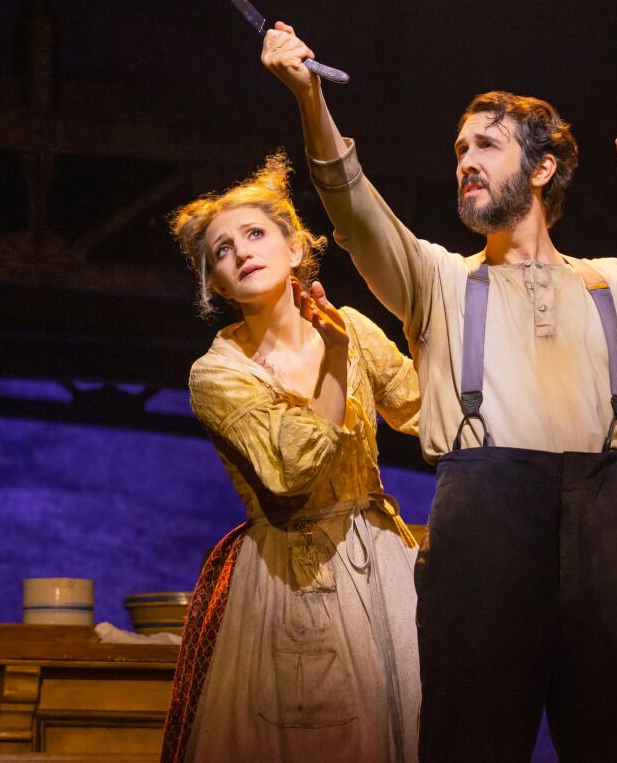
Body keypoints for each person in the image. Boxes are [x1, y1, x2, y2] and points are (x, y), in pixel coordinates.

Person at [260, 23, 617, 762]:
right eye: (460, 151)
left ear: (543, 169)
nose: (466, 163)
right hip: (483, 532)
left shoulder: (615, 283)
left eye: (486, 146)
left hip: (606, 532)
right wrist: (309, 97)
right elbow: (353, 209)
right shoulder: (441, 282)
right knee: (469, 742)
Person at [160, 153, 423, 763]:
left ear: (296, 249)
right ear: (217, 285)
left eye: (255, 234)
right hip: (293, 575)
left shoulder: (351, 327)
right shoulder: (218, 373)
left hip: (381, 563)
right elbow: (293, 469)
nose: (242, 252)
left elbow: (425, 410)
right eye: (222, 251)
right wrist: (332, 362)